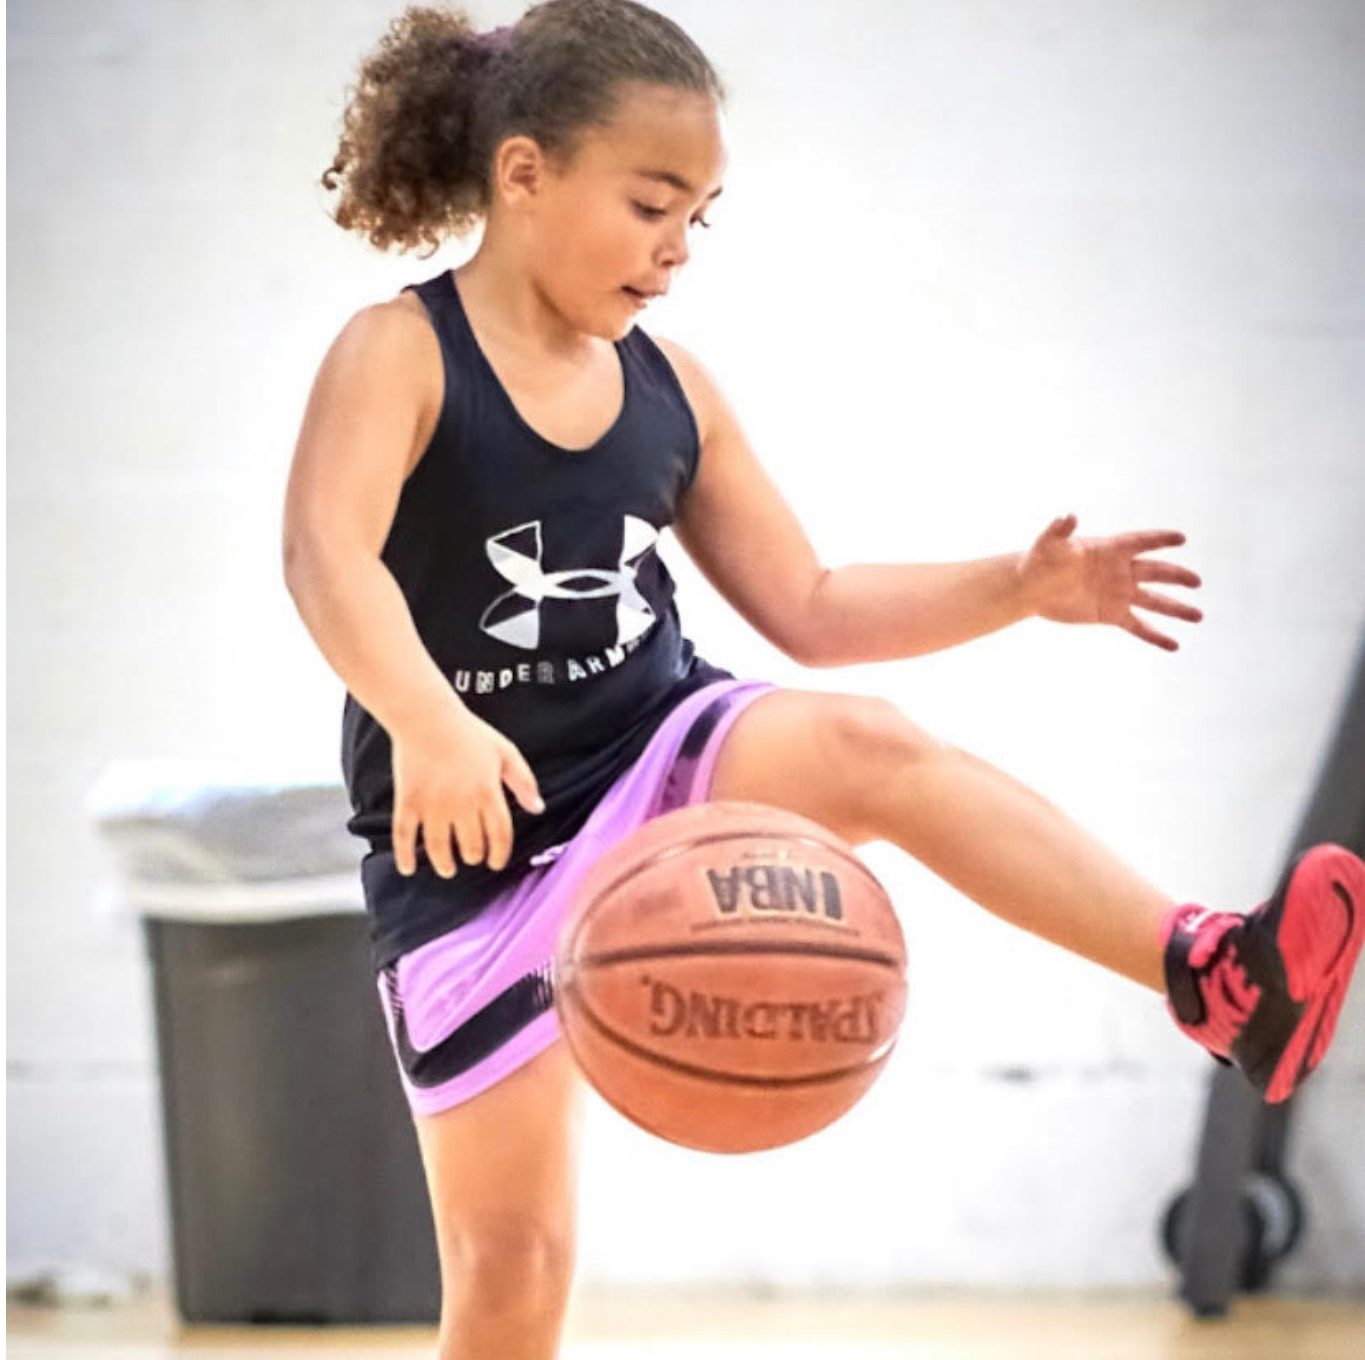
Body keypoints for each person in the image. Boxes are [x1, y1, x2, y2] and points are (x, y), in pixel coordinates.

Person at [282, 2, 1365, 1354]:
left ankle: (1212, 972)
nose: (677, 248)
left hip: (650, 752)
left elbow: (811, 605)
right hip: (470, 842)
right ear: (523, 173)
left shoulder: (675, 390)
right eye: (650, 203)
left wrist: (1018, 591)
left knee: (868, 746)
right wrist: (426, 720)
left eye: (702, 218)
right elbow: (326, 557)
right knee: (513, 1272)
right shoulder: (398, 353)